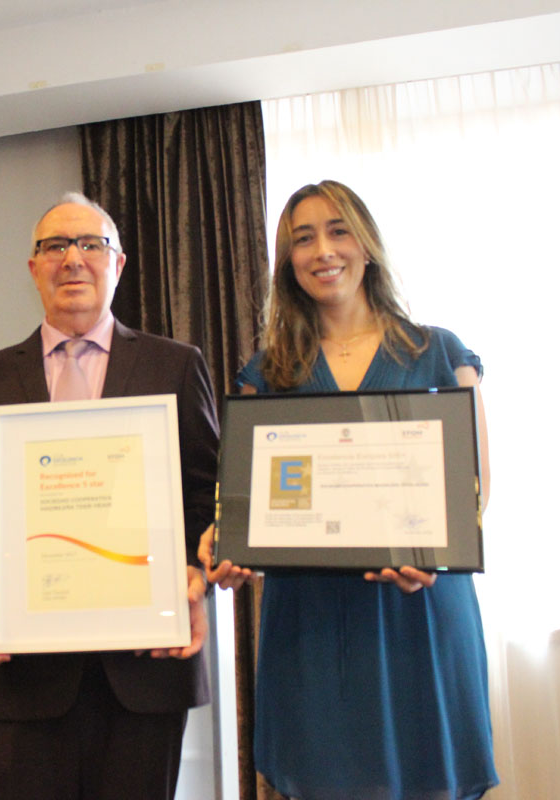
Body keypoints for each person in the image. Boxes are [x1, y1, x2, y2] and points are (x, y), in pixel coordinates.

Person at [202, 179, 497, 800]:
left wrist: (433, 554)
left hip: (420, 611)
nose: (323, 251)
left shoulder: (440, 352)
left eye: (338, 231)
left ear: (367, 245)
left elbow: (474, 490)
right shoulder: (267, 372)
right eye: (303, 239)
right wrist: (226, 542)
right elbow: (244, 505)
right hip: (312, 624)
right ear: (288, 261)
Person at [0, 192, 217, 800]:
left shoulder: (175, 366)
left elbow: (207, 497)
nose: (72, 259)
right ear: (33, 267)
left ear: (118, 263)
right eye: (55, 246)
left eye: (91, 244)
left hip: (146, 668)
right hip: (23, 675)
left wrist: (195, 574)